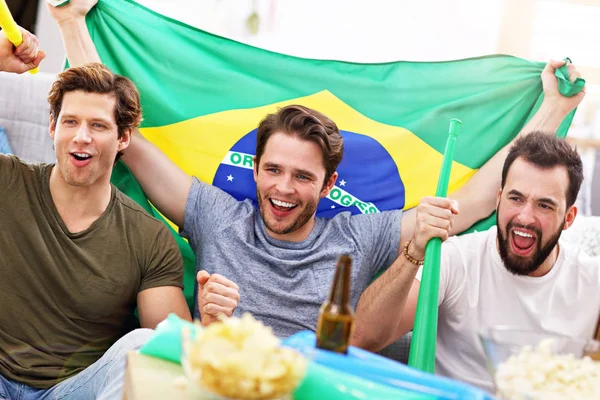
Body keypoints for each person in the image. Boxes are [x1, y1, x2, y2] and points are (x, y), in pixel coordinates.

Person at [50, 1, 584, 340]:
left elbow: (467, 205)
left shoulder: (359, 233)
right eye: (274, 170)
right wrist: (72, 22)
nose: (284, 188)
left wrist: (552, 111)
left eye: (303, 177)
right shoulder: (216, 214)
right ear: (255, 170)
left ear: (329, 185)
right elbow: (127, 135)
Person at [0, 34, 239, 399]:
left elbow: (166, 349)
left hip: (72, 390)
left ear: (123, 137)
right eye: (70, 122)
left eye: (97, 126)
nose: (81, 137)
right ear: (52, 127)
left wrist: (207, 325)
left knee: (143, 344)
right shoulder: (8, 181)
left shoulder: (148, 238)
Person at [355, 132, 600, 391]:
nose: (525, 217)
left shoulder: (592, 281)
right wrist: (414, 250)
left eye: (545, 206)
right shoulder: (455, 258)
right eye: (516, 199)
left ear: (569, 217)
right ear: (498, 199)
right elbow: (363, 337)